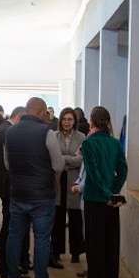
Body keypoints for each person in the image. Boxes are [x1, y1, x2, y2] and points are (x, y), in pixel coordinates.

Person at [4, 97, 66, 278]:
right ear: (40, 111)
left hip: (18, 193)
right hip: (41, 195)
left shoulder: (10, 131)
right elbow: (58, 165)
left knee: (14, 236)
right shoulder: (46, 133)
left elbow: (7, 164)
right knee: (41, 239)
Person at [79, 106, 128, 278]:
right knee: (111, 244)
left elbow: (93, 173)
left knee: (95, 245)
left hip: (95, 199)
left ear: (91, 121)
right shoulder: (116, 143)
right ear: (108, 122)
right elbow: (123, 171)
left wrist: (106, 194)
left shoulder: (88, 143)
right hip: (111, 202)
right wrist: (114, 192)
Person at [0, 105, 32, 278]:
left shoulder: (3, 129)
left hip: (5, 184)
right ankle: (7, 267)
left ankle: (9, 265)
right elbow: (10, 162)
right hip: (10, 185)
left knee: (9, 227)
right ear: (19, 117)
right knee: (10, 228)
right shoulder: (8, 131)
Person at [52, 107, 86, 265]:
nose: (67, 122)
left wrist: (62, 159)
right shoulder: (53, 136)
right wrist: (70, 159)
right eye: (64, 119)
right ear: (60, 120)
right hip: (58, 179)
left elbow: (81, 161)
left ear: (75, 121)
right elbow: (53, 158)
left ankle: (76, 252)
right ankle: (56, 251)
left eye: (70, 119)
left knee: (75, 216)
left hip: (74, 179)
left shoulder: (82, 138)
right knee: (57, 216)